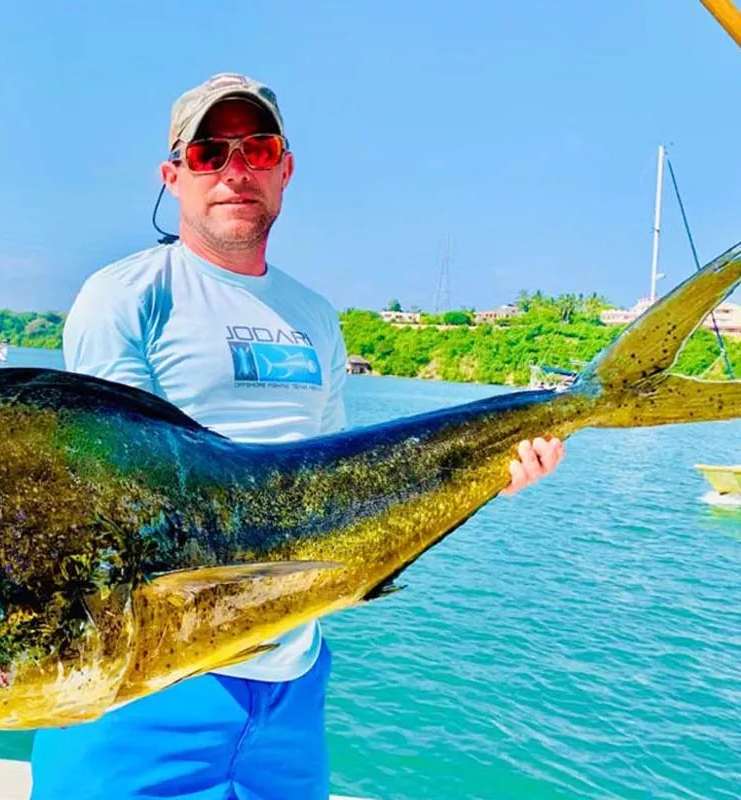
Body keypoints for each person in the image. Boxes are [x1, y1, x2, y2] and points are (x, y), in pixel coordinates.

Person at [30, 72, 564, 800]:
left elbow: (342, 491)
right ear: (173, 176)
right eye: (209, 152)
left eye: (258, 147)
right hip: (152, 686)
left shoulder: (314, 315)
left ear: (285, 168)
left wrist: (487, 474)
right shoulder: (126, 297)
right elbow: (121, 501)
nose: (234, 170)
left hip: (293, 680)